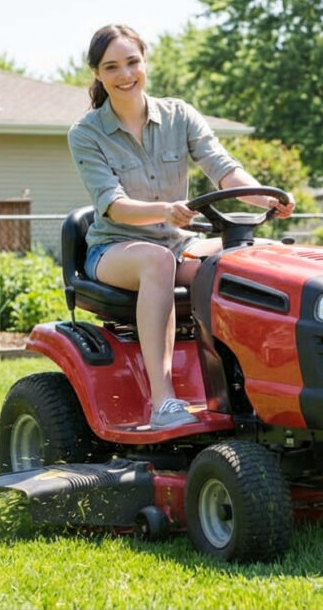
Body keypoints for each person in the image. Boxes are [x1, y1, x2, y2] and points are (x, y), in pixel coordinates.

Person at [68, 24, 295, 430]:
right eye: (112, 67)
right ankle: (163, 403)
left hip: (178, 241)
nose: (125, 75)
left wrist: (267, 199)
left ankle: (261, 387)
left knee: (249, 259)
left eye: (133, 62)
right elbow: (115, 207)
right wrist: (163, 210)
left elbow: (223, 170)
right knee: (157, 262)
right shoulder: (86, 134)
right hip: (115, 249)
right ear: (97, 74)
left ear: (145, 62)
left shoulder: (179, 116)